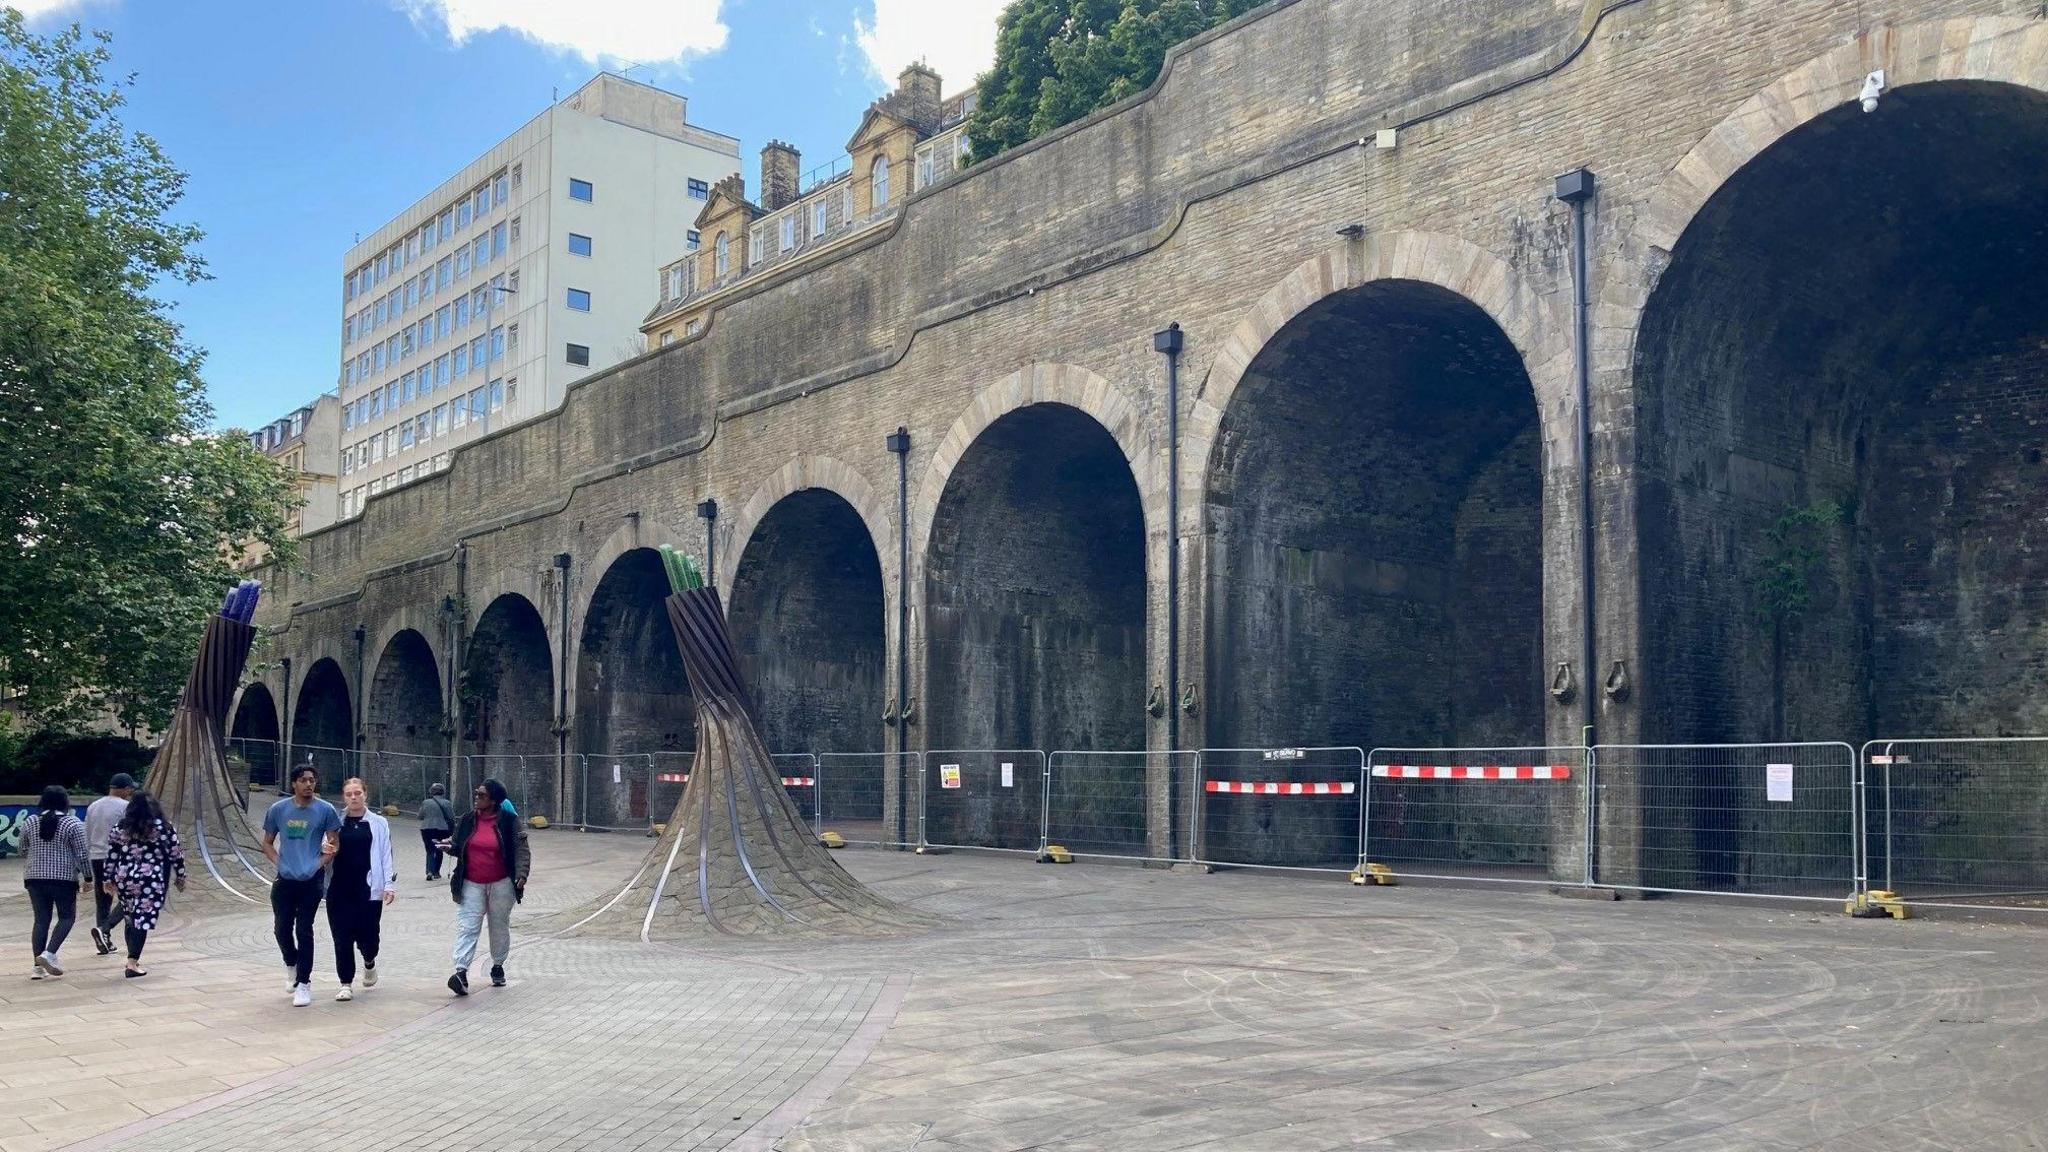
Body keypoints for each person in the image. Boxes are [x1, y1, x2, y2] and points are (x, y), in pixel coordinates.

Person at [262, 764, 340, 1007]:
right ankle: (291, 964)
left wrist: (320, 863)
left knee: (304, 929)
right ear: (294, 783)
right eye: (304, 780)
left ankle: (304, 984)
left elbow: (334, 843)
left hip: (310, 880)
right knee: (281, 928)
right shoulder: (278, 809)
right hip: (285, 879)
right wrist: (279, 862)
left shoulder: (325, 810)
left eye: (312, 780)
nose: (309, 784)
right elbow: (267, 842)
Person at [444, 778, 529, 996]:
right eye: (476, 793)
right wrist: (449, 847)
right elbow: (458, 844)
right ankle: (460, 972)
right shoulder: (467, 820)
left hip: (501, 883)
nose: (476, 797)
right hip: (471, 882)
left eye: (481, 795)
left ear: (493, 800)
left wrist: (521, 874)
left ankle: (498, 965)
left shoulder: (509, 821)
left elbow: (521, 849)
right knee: (467, 925)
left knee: (498, 926)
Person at [327, 778, 396, 1002]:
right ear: (343, 797)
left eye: (358, 793)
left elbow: (386, 854)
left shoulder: (378, 823)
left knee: (369, 936)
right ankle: (345, 982)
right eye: (349, 794)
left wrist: (388, 885)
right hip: (339, 888)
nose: (353, 797)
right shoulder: (335, 821)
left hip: (368, 888)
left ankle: (369, 960)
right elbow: (323, 845)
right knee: (342, 936)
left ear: (366, 794)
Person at [105, 790, 185, 978]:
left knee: (130, 917)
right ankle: (132, 963)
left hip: (124, 878)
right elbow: (176, 853)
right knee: (142, 920)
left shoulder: (121, 826)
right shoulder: (163, 827)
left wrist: (107, 878)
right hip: (151, 879)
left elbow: (112, 854)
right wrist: (180, 876)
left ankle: (131, 957)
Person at [23, 786, 88, 979]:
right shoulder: (72, 823)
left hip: (34, 878)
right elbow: (82, 854)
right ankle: (49, 953)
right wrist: (88, 877)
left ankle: (37, 968)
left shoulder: (31, 821)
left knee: (41, 920)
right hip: (63, 879)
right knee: (67, 917)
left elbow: (22, 849)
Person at [84, 773, 136, 955]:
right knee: (130, 896)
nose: (130, 792)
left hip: (97, 857)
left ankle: (103, 940)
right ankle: (105, 929)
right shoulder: (126, 807)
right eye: (129, 789)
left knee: (103, 899)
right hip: (118, 858)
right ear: (123, 788)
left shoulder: (93, 806)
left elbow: (87, 834)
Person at [417, 782, 455, 881]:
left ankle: (429, 871)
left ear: (431, 792)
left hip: (427, 828)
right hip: (442, 829)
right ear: (443, 792)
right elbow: (451, 818)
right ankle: (436, 872)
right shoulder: (447, 803)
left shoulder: (426, 802)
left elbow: (420, 816)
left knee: (429, 850)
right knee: (439, 849)